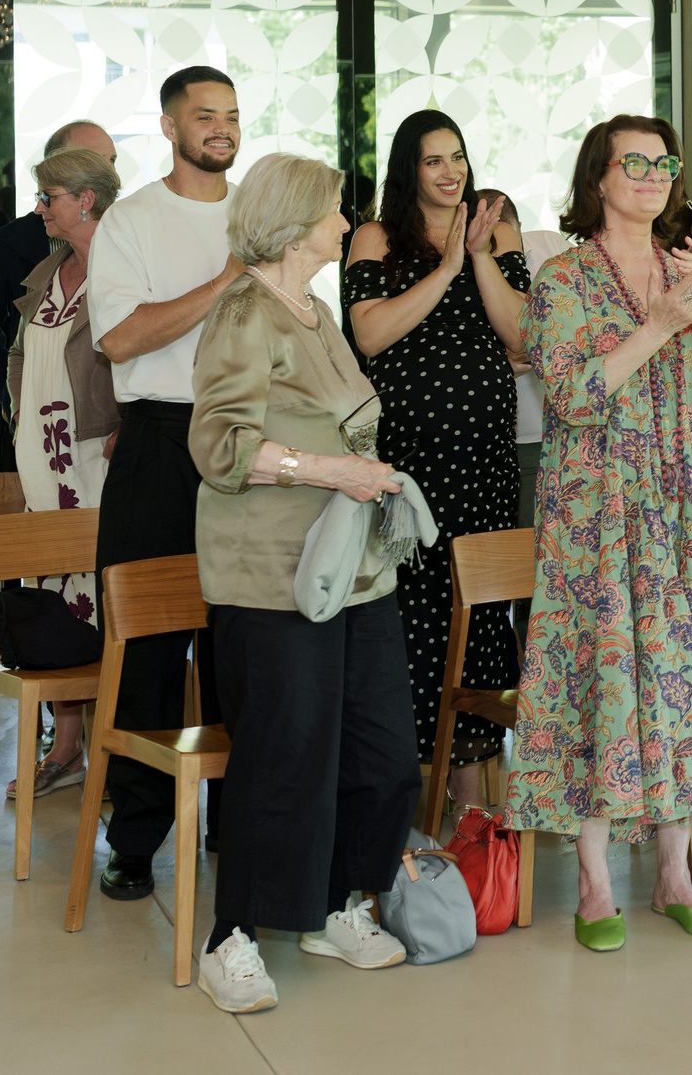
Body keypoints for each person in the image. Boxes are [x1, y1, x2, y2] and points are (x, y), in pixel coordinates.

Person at [509, 115, 692, 950]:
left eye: (665, 162)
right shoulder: (562, 278)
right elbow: (575, 395)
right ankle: (591, 881)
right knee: (600, 678)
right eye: (636, 162)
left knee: (680, 676)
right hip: (599, 512)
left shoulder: (689, 266)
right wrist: (658, 324)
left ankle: (676, 874)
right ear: (599, 178)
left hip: (685, 503)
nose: (654, 175)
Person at [187, 152, 415, 1014]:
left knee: (382, 750)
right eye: (334, 209)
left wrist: (365, 472)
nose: (348, 220)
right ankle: (233, 936)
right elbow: (218, 447)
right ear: (292, 220)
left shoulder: (315, 310)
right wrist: (330, 467)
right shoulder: (245, 312)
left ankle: (335, 904)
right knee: (284, 762)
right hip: (271, 578)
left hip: (351, 568)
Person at [86, 67, 246, 903]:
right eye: (204, 115)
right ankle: (137, 835)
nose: (221, 128)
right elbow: (118, 337)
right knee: (150, 645)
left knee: (242, 636)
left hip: (247, 440)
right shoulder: (132, 219)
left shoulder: (258, 213)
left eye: (231, 114)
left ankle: (236, 821)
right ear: (169, 126)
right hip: (158, 443)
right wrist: (225, 280)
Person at [342, 109, 531, 811]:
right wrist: (446, 265)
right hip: (409, 455)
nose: (451, 172)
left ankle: (470, 795)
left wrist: (477, 255)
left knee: (479, 604)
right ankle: (405, 790)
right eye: (433, 160)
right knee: (411, 608)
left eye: (458, 157)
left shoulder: (496, 226)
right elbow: (371, 335)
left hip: (484, 452)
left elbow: (522, 334)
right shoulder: (375, 236)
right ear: (407, 169)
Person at [2, 143, 121, 802]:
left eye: (48, 195)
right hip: (43, 460)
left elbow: (147, 352)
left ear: (85, 199)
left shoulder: (124, 268)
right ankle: (67, 746)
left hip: (96, 458)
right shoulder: (50, 269)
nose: (40, 206)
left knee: (95, 593)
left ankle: (108, 752)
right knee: (49, 593)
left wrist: (128, 425)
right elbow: (23, 351)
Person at [0, 119, 117, 422]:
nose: (108, 172)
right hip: (40, 415)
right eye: (93, 161)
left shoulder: (132, 236)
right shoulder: (17, 241)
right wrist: (11, 398)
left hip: (104, 419)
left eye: (111, 161)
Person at [496, 194, 573, 531]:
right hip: (500, 433)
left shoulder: (549, 246)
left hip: (551, 427)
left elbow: (568, 324)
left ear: (519, 230)